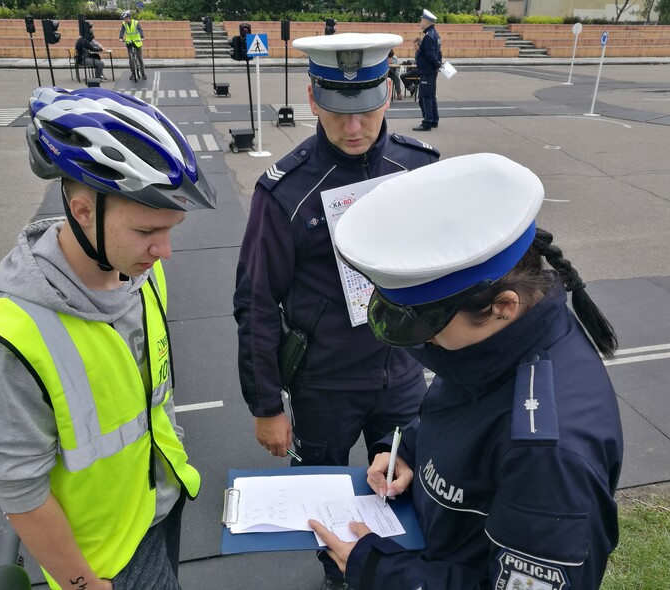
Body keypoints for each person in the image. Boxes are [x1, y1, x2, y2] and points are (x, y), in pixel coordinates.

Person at [308, 153, 624, 589]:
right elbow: (463, 409)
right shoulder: (495, 344)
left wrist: (379, 570)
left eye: (427, 324)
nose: (423, 343)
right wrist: (408, 451)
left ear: (502, 306)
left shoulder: (549, 454)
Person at [0, 87, 216, 590]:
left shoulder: (143, 277)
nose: (164, 251)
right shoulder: (9, 337)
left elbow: (154, 395)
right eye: (147, 231)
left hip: (163, 503)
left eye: (172, 229)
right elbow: (19, 489)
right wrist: (83, 583)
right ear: (82, 211)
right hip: (103, 563)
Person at [232, 33, 439, 590]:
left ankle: (390, 575)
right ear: (312, 98)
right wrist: (266, 405)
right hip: (324, 383)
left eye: (366, 110)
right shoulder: (286, 191)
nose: (353, 128)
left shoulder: (418, 169)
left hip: (403, 374)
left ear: (388, 93)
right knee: (321, 502)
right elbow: (255, 301)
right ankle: (337, 576)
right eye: (338, 112)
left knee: (404, 490)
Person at [413, 9, 442, 131]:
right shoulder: (435, 34)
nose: (420, 22)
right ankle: (434, 120)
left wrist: (437, 64)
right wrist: (438, 65)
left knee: (425, 98)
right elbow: (439, 53)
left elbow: (431, 55)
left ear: (426, 21)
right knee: (431, 96)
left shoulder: (428, 37)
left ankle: (427, 122)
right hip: (431, 71)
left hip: (426, 72)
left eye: (421, 20)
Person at [120, 10, 146, 80]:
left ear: (128, 18)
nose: (124, 20)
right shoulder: (124, 23)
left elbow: (140, 30)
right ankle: (133, 73)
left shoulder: (135, 22)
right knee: (130, 59)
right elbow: (122, 31)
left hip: (137, 41)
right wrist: (120, 38)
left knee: (139, 57)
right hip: (129, 42)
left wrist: (142, 37)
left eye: (124, 19)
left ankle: (143, 73)